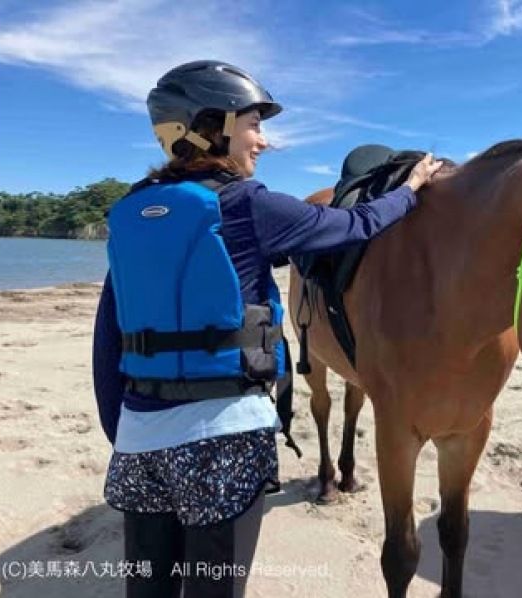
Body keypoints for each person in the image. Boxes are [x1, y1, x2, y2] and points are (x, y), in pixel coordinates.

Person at [92, 60, 441, 598]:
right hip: (221, 442)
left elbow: (107, 338)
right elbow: (355, 225)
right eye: (253, 123)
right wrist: (411, 187)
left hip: (139, 441)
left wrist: (127, 435)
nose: (263, 139)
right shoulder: (249, 203)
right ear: (211, 125)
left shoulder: (131, 210)